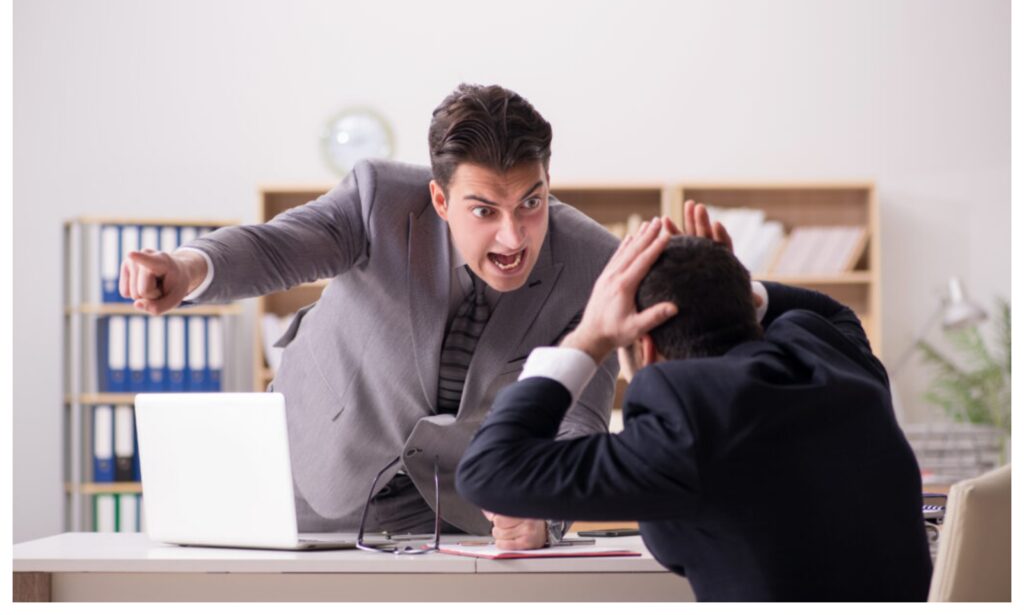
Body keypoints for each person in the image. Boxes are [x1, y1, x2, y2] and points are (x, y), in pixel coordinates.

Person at [119, 83, 619, 547]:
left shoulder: (593, 263)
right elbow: (277, 246)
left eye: (531, 202)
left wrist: (545, 514)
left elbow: (580, 418)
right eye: (485, 211)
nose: (513, 238)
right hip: (313, 470)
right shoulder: (379, 199)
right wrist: (188, 268)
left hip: (451, 513)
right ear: (440, 199)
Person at [456, 204, 933, 600]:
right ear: (750, 312)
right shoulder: (835, 361)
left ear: (644, 348)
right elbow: (832, 312)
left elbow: (486, 472)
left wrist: (590, 336)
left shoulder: (684, 423)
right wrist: (725, 286)